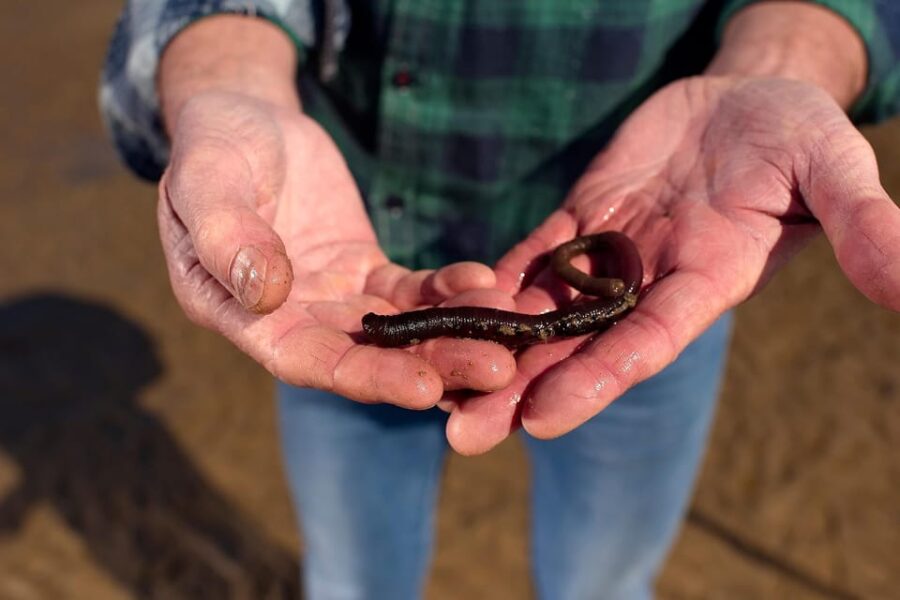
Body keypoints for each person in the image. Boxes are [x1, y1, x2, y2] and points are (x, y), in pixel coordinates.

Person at [101, 1, 900, 598]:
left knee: (602, 584)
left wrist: (790, 53)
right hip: (334, 256)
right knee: (351, 582)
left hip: (665, 241)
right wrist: (228, 66)